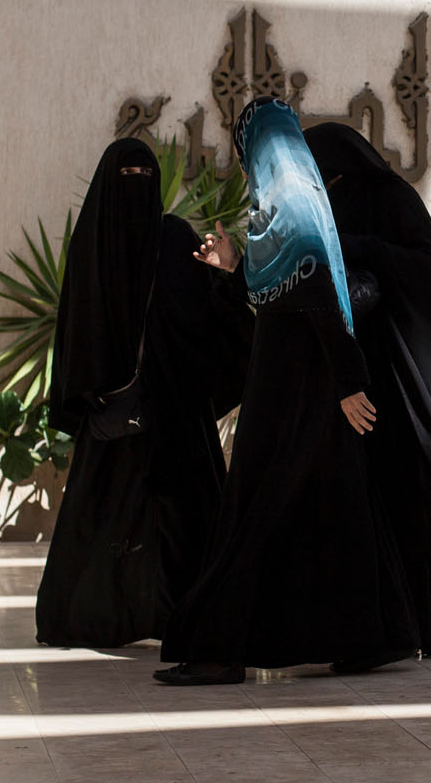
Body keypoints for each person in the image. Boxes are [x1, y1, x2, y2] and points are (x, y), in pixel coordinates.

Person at [155, 97, 417, 685]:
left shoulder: (290, 203)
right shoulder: (289, 205)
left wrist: (349, 381)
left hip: (298, 388)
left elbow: (318, 288)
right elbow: (285, 287)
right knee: (337, 504)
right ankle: (370, 637)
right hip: (305, 380)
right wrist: (235, 265)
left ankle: (219, 650)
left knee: (254, 503)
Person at [36, 139, 254, 649]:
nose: (135, 182)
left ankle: (175, 618)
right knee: (116, 523)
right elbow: (78, 325)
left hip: (166, 413)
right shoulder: (96, 242)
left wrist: (228, 277)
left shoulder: (169, 239)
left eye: (143, 173)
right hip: (122, 412)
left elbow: (204, 315)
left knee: (171, 524)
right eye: (127, 174)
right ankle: (107, 618)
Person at [304, 123, 431, 657]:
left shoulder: (392, 197)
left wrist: (359, 246)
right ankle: (377, 635)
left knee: (414, 486)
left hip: (401, 372)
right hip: (358, 376)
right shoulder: (322, 204)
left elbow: (428, 267)